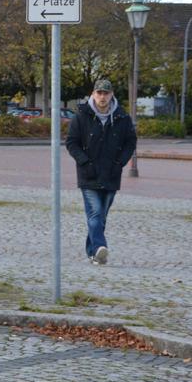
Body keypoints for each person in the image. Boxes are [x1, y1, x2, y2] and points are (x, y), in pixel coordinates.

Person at [64, 78, 137, 266]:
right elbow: (72, 142)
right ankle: (100, 246)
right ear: (93, 94)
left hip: (111, 174)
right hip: (88, 174)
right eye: (99, 93)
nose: (102, 97)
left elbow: (131, 142)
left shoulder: (122, 117)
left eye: (106, 93)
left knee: (101, 216)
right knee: (95, 213)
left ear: (111, 94)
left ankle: (93, 253)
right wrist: (84, 162)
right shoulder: (81, 116)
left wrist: (120, 162)